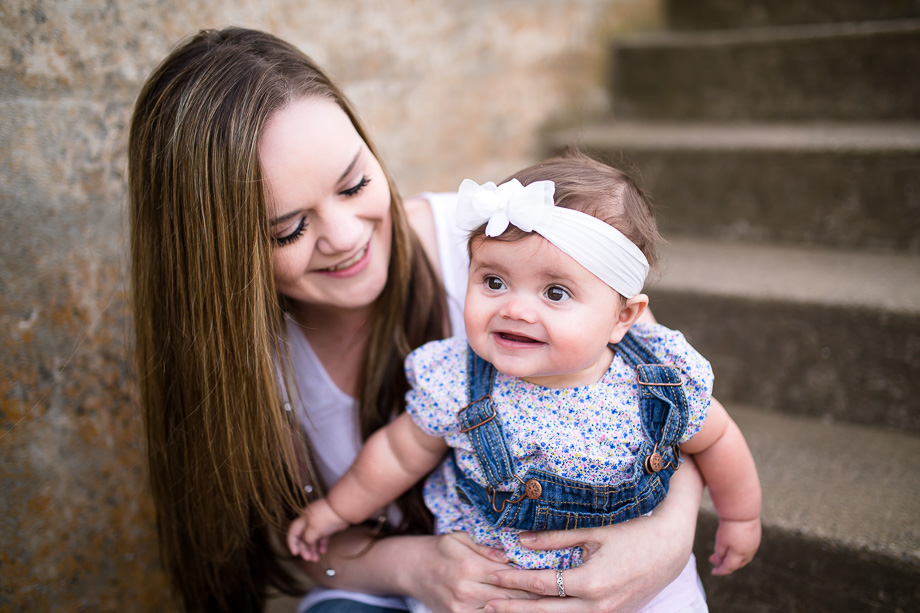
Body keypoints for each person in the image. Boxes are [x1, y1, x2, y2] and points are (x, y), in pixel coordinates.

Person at [128, 26, 714, 613]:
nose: (346, 236)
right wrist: (419, 570)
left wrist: (666, 539)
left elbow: (671, 407)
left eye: (355, 184)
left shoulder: (508, 241)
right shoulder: (247, 364)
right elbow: (297, 548)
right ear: (214, 253)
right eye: (289, 228)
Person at [287, 155, 762, 610]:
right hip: (493, 584)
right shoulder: (458, 380)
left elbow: (716, 438)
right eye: (493, 282)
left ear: (623, 317)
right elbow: (395, 454)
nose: (514, 308)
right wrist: (335, 512)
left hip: (636, 581)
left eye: (555, 292)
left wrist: (740, 515)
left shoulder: (654, 380)